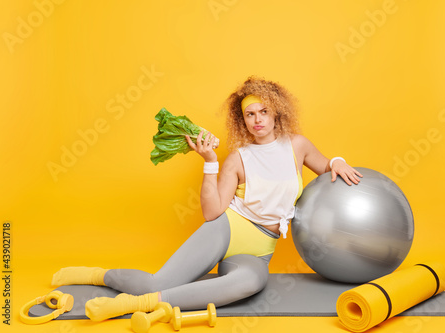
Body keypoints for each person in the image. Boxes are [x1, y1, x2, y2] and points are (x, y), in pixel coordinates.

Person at [50, 76, 362, 321]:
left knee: (251, 284)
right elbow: (213, 212)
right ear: (242, 120)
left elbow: (326, 167)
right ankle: (95, 275)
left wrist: (338, 161)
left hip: (259, 250)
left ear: (276, 111)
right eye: (250, 114)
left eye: (264, 112)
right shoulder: (237, 159)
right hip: (226, 229)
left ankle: (137, 305)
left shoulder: (297, 145)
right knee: (155, 283)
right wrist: (210, 162)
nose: (258, 120)